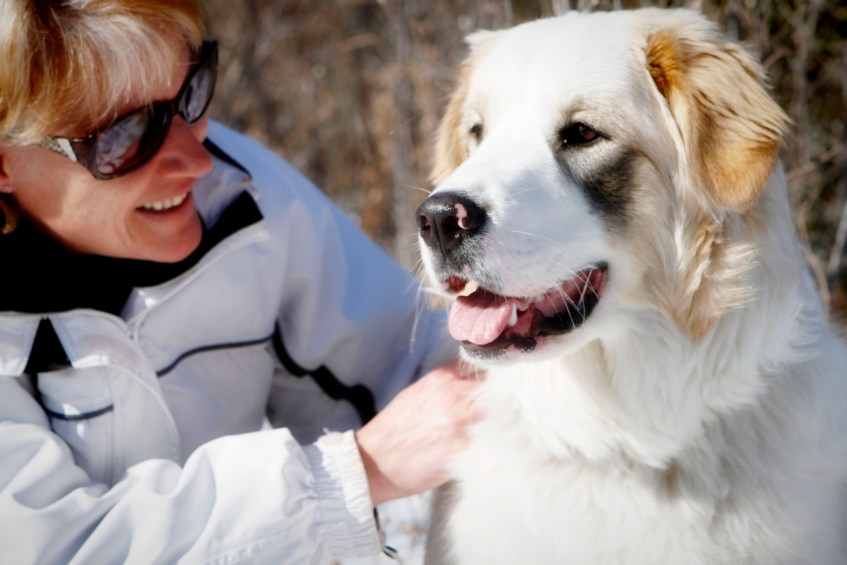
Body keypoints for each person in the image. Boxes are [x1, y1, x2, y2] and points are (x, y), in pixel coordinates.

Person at [0, 1, 480, 563]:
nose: (195, 160)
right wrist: (351, 473)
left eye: (190, 94)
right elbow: (62, 548)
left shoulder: (241, 199)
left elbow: (411, 370)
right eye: (124, 135)